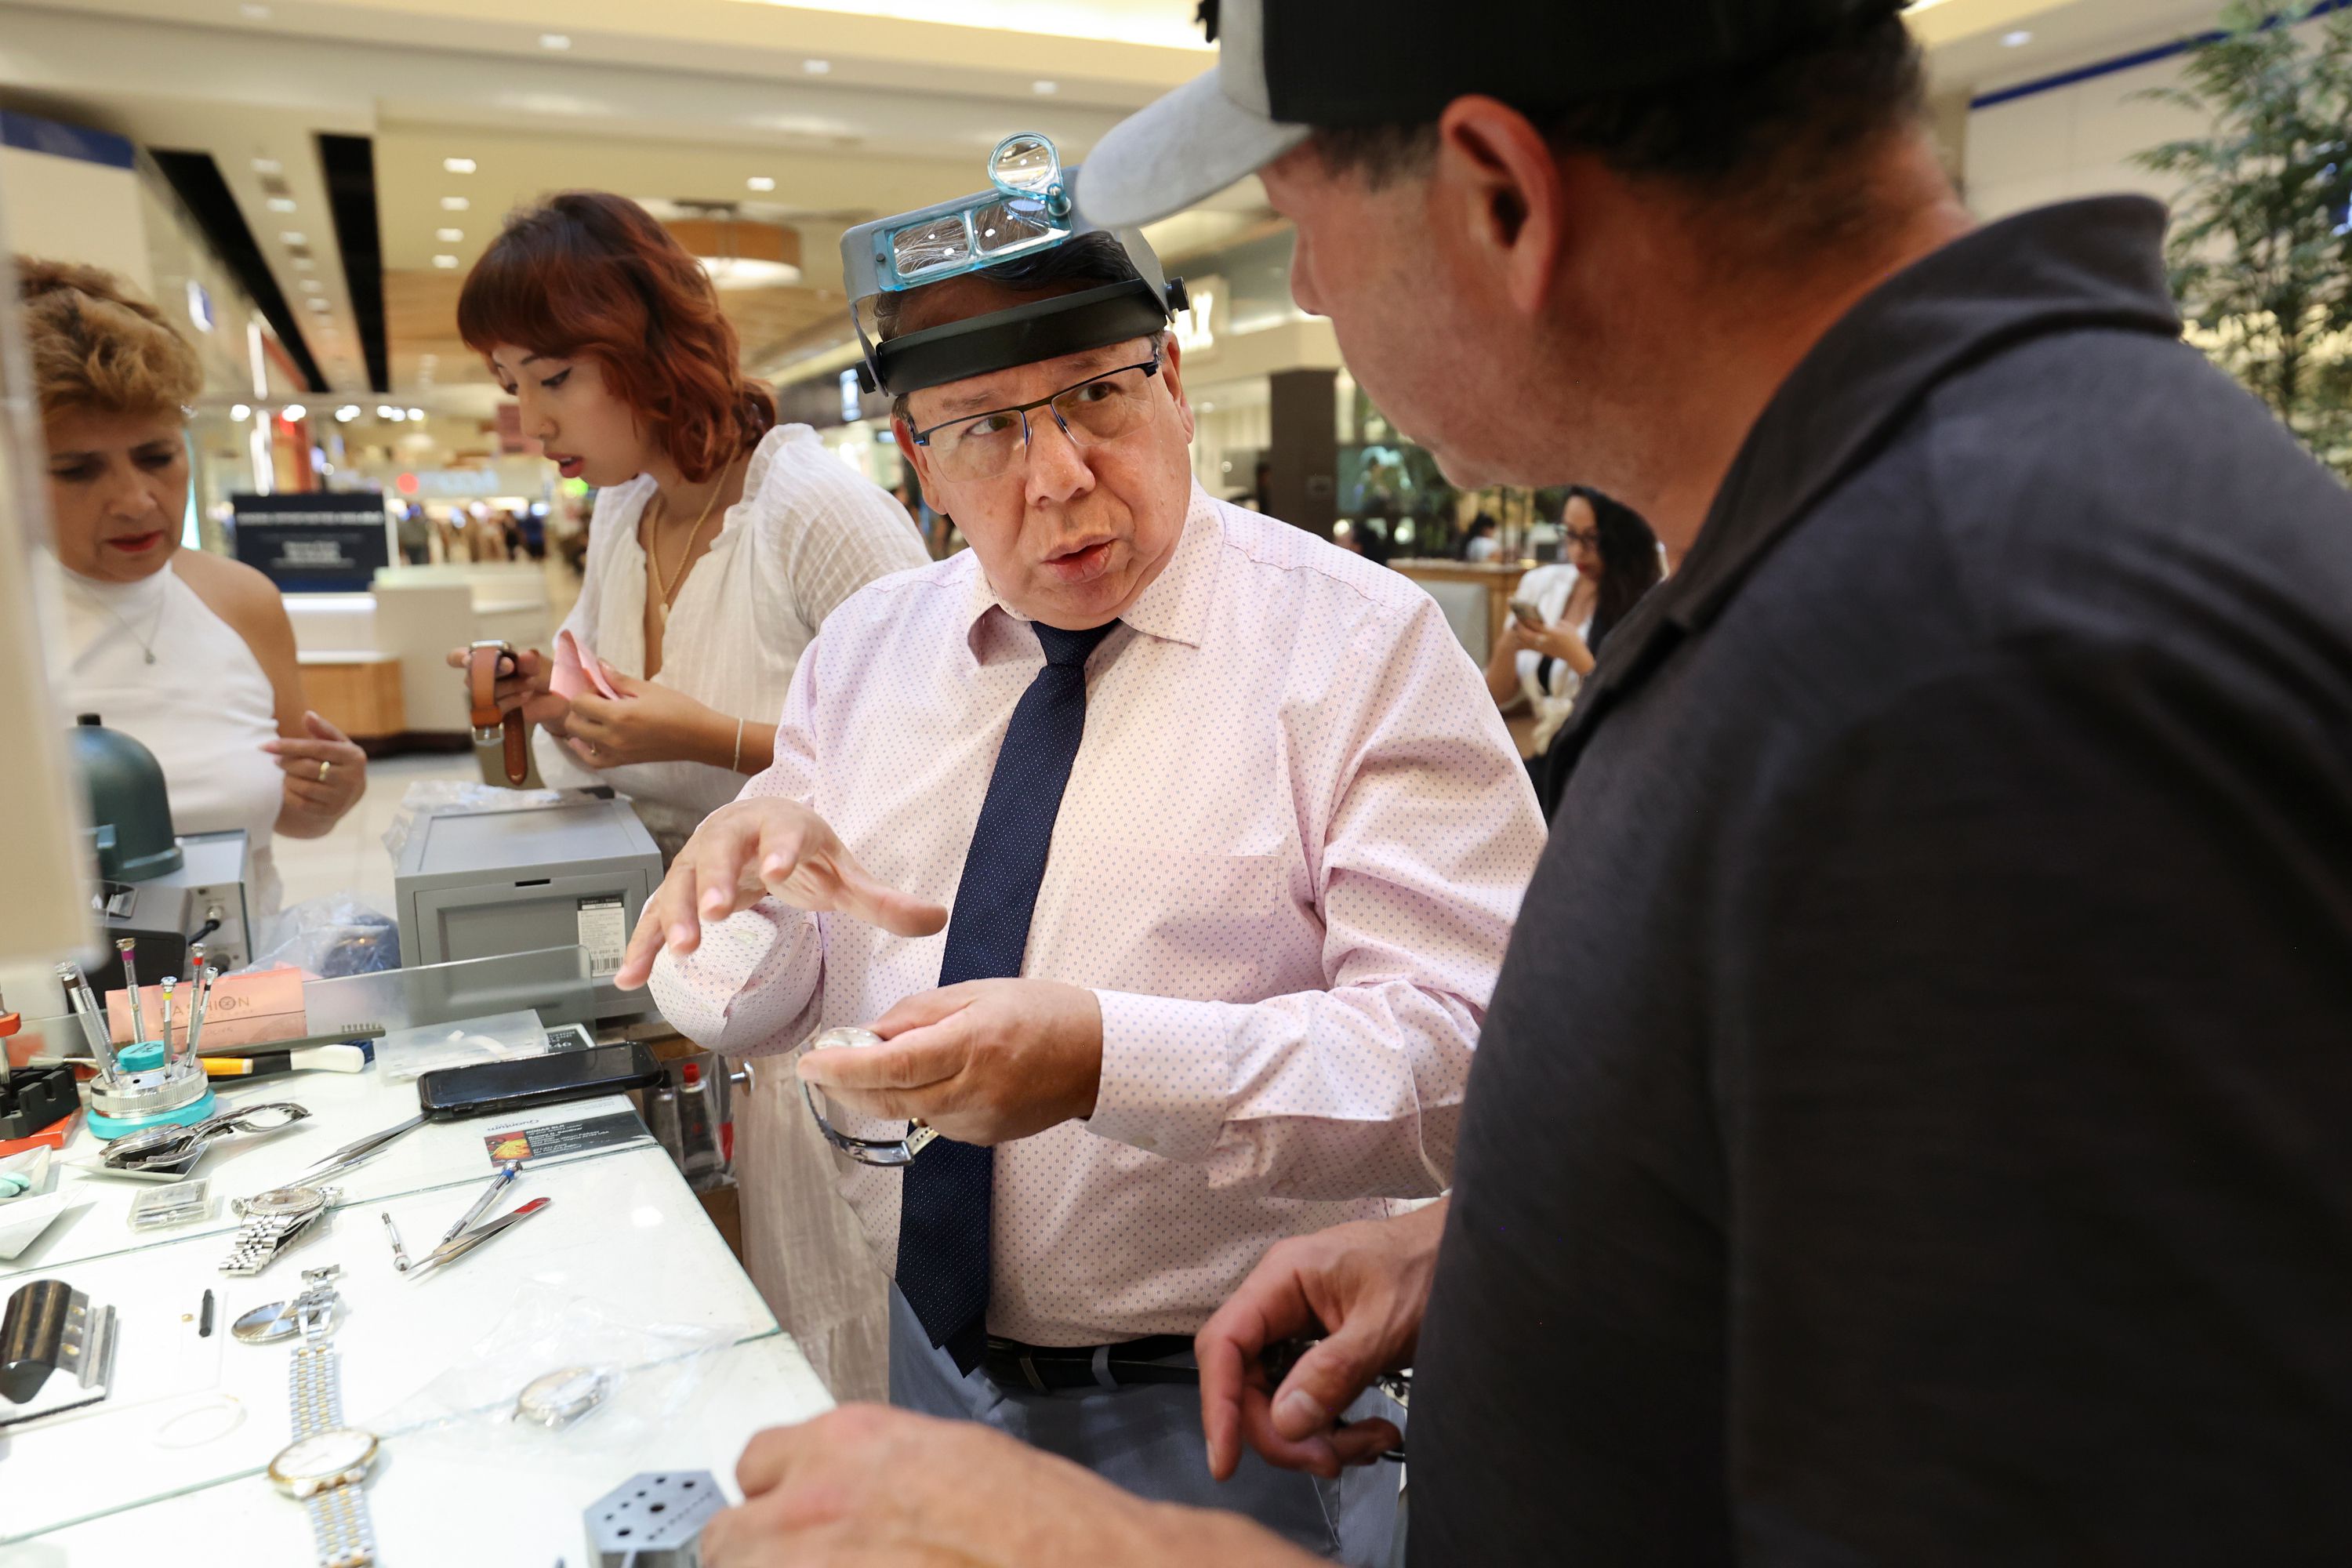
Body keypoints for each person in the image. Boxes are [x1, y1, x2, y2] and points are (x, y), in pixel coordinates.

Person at [694, 2, 2352, 1566]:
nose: (1313, 292)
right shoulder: (1882, 563)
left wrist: (1111, 1546)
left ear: (1498, 195)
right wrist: (1495, 1253)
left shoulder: (1984, 666)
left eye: (1304, 216)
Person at [625, 149, 1543, 1565]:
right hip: (926, 1354)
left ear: (1172, 381)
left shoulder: (1356, 649)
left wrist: (1110, 1062)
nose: (1058, 479)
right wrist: (742, 895)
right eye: (987, 429)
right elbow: (746, 1007)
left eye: (1098, 398)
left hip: (1230, 1391)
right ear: (919, 459)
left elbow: (1479, 1063)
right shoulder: (868, 654)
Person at [449, 191, 930, 1404]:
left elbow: (939, 755)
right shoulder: (623, 510)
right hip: (699, 975)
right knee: (765, 1305)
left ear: (646, 348)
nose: (530, 421)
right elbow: (609, 718)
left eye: (553, 377)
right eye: (511, 384)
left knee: (854, 1306)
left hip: (840, 991)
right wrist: (554, 705)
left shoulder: (810, 511)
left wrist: (708, 736)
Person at [24, 258, 366, 921]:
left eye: (157, 457)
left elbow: (294, 812)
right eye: (78, 470)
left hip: (243, 975)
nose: (136, 500)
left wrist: (332, 791)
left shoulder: (240, 599)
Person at [1482, 487, 1661, 806]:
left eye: (1591, 539)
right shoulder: (1543, 584)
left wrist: (1577, 658)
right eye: (1570, 534)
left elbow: (1640, 713)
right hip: (1551, 761)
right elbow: (1497, 695)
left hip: (1610, 770)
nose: (1577, 551)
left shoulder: (1648, 600)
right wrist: (1510, 643)